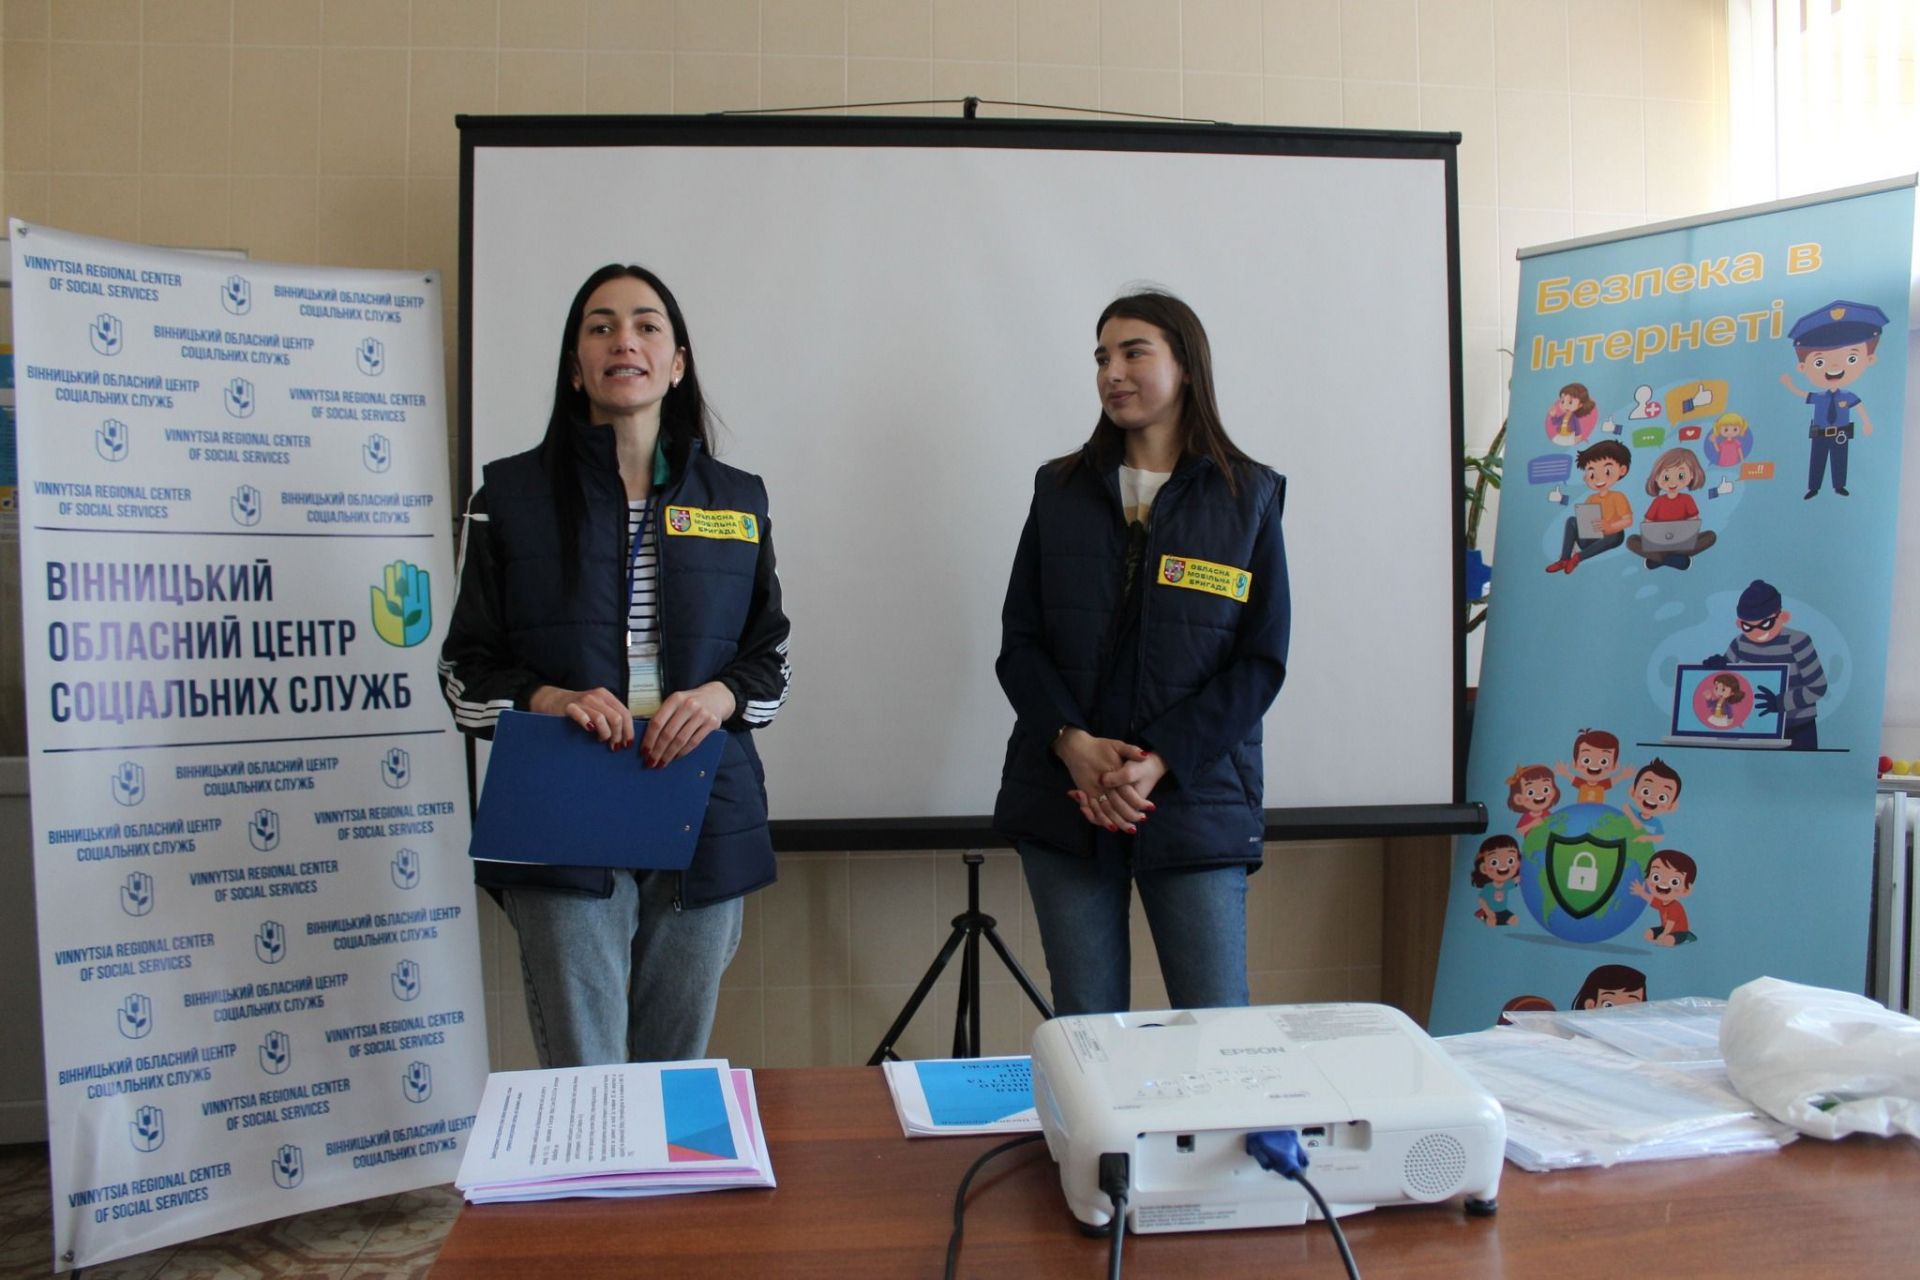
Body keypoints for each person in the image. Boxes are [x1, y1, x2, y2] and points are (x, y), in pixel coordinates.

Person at [440, 264, 792, 1067]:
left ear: (677, 363)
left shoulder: (739, 499)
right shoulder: (507, 497)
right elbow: (464, 672)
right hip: (564, 796)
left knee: (673, 1071)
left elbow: (770, 658)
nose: (623, 340)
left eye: (645, 325)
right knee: (586, 1073)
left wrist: (718, 697)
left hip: (702, 799)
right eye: (599, 327)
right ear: (576, 366)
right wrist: (546, 698)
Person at [993, 290, 1290, 1016]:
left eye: (1133, 353)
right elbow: (1020, 642)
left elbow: (1260, 662)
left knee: (1217, 1025)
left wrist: (1157, 760)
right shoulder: (1059, 489)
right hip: (1068, 796)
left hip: (1195, 799)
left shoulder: (1247, 495)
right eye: (1102, 358)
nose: (1112, 373)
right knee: (1089, 1034)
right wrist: (1073, 746)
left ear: (1185, 365)